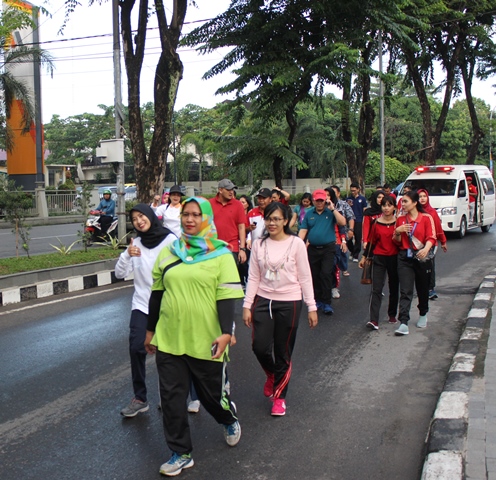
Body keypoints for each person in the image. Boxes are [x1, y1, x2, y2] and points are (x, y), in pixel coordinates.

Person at [145, 197, 244, 477]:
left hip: (207, 340)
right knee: (173, 399)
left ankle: (228, 418)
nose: (189, 220)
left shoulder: (222, 254)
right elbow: (157, 294)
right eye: (185, 214)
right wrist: (151, 331)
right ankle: (181, 453)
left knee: (210, 397)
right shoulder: (170, 252)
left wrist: (226, 333)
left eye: (196, 215)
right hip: (170, 338)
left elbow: (226, 297)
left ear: (206, 218)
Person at [242, 202, 318, 416]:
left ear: (286, 220)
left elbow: (305, 276)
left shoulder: (296, 244)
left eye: (277, 219)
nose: (272, 223)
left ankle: (279, 397)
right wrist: (247, 305)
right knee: (259, 346)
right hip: (263, 300)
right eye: (268, 218)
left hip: (290, 302)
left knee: (283, 352)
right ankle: (273, 375)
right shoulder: (259, 244)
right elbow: (254, 276)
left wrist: (311, 306)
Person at [115, 204, 176, 417]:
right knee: (136, 347)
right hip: (141, 305)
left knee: (167, 353)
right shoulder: (135, 244)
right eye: (135, 219)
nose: (139, 221)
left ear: (150, 216)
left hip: (166, 305)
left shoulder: (170, 240)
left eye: (142, 216)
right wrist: (127, 256)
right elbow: (120, 274)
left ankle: (168, 395)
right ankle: (140, 398)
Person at [393, 191, 436, 335]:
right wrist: (398, 232)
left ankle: (423, 313)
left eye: (405, 201)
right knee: (405, 290)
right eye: (402, 202)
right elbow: (397, 242)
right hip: (404, 258)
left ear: (415, 202)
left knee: (422, 288)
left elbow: (432, 237)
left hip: (421, 258)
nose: (403, 204)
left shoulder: (426, 218)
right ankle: (403, 321)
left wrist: (426, 249)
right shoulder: (400, 219)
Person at [298, 189, 346, 315]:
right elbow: (303, 230)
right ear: (313, 201)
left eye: (321, 200)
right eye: (317, 200)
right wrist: (297, 244)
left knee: (326, 273)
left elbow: (342, 222)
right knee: (314, 275)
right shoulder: (309, 214)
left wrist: (333, 209)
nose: (319, 203)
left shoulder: (330, 213)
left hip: (328, 248)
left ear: (325, 200)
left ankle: (326, 302)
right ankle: (317, 299)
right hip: (313, 248)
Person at [359, 195, 399, 330]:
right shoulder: (375, 223)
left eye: (389, 205)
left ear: (394, 207)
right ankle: (374, 320)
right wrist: (364, 257)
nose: (386, 208)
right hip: (379, 258)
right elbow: (371, 242)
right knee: (376, 289)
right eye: (384, 205)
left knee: (394, 287)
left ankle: (392, 314)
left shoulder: (399, 223)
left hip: (394, 258)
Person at [209, 178, 248, 269]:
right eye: (228, 190)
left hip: (232, 248)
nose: (231, 192)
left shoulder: (238, 205)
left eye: (232, 190)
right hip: (213, 248)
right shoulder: (209, 203)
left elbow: (241, 227)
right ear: (220, 190)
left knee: (230, 279)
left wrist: (242, 249)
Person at [418, 189, 448, 300]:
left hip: (431, 244)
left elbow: (438, 229)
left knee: (429, 266)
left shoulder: (432, 212)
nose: (422, 198)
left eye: (424, 196)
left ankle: (430, 289)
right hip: (417, 245)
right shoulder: (415, 212)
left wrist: (443, 242)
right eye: (420, 196)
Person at [331, 185, 355, 277]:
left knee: (343, 252)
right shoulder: (325, 205)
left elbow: (351, 217)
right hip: (331, 233)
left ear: (338, 193)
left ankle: (344, 268)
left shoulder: (343, 204)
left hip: (342, 232)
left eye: (334, 192)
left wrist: (351, 229)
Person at [346, 183, 367, 262]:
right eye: (351, 191)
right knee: (348, 238)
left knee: (358, 238)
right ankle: (352, 251)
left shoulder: (362, 199)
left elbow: (364, 209)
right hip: (349, 221)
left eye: (354, 190)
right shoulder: (348, 199)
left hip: (358, 220)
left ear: (358, 190)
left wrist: (364, 220)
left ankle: (356, 254)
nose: (353, 192)